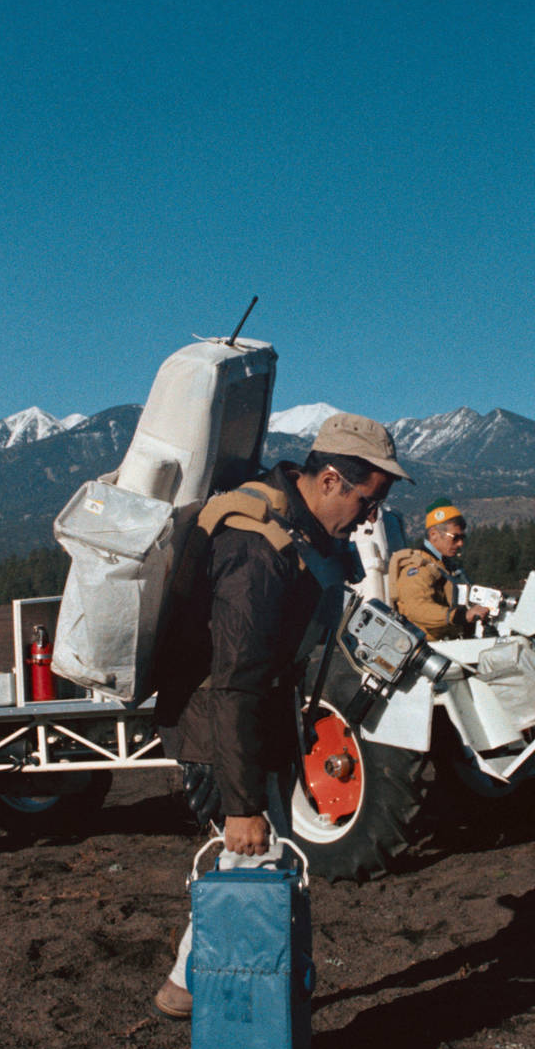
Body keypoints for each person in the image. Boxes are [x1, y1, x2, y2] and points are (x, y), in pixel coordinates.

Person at [153, 412, 412, 1018]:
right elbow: (236, 685)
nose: (371, 518)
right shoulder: (257, 548)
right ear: (328, 480)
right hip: (226, 726)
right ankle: (229, 1015)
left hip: (256, 722)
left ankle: (191, 988)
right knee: (253, 861)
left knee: (255, 867)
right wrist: (241, 805)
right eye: (366, 500)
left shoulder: (301, 531)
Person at [389, 498, 490, 641]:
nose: (460, 543)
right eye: (455, 537)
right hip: (427, 647)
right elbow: (417, 608)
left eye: (463, 538)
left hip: (450, 643)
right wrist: (460, 616)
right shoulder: (417, 568)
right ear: (434, 535)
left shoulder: (446, 567)